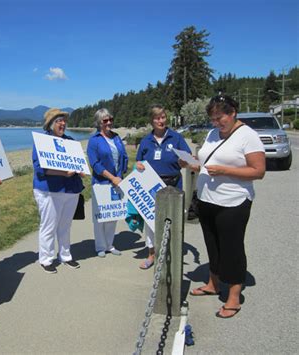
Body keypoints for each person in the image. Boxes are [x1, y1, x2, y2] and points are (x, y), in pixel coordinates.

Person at [185, 95, 265, 319]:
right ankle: (213, 283)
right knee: (213, 244)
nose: (216, 123)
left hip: (233, 202)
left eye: (220, 118)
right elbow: (206, 160)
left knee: (232, 248)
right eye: (212, 119)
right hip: (207, 198)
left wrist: (225, 171)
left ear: (233, 113)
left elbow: (258, 171)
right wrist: (192, 163)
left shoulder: (248, 136)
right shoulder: (212, 133)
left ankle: (234, 297)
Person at [135, 105, 191, 269]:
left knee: (173, 220)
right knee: (150, 222)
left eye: (163, 117)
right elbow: (139, 161)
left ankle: (171, 255)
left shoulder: (176, 138)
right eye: (157, 118)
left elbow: (187, 158)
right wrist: (138, 165)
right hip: (151, 185)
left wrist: (184, 161)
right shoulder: (146, 141)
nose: (161, 120)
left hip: (173, 184)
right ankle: (152, 254)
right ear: (151, 121)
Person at [32, 108, 84, 273]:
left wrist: (81, 170)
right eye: (58, 120)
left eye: (63, 120)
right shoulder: (42, 142)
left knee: (65, 225)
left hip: (70, 190)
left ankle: (65, 255)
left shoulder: (69, 141)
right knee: (49, 225)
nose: (62, 123)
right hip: (49, 190)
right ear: (50, 124)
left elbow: (77, 163)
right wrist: (64, 172)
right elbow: (40, 169)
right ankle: (46, 259)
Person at [87, 108, 128, 257]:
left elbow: (123, 157)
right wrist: (112, 177)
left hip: (117, 181)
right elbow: (95, 164)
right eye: (105, 120)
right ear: (99, 123)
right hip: (101, 182)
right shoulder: (94, 140)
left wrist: (120, 176)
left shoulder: (116, 137)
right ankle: (100, 247)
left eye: (111, 119)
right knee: (101, 217)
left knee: (113, 215)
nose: (109, 122)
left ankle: (110, 245)